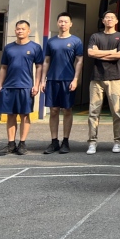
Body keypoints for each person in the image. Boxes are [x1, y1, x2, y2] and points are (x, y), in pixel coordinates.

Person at [0, 20, 44, 156]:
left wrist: (36, 85)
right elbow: (3, 67)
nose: (20, 31)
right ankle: (11, 144)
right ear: (15, 31)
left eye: (23, 29)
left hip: (26, 87)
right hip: (9, 86)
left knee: (25, 115)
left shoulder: (35, 47)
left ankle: (22, 143)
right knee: (10, 115)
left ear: (29, 31)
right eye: (18, 29)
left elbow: (39, 66)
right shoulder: (8, 48)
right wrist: (0, 85)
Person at [40, 13, 83, 155]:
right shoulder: (51, 42)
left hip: (68, 79)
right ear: (57, 23)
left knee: (67, 110)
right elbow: (46, 61)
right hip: (52, 80)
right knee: (53, 110)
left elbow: (79, 61)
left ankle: (65, 141)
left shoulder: (76, 41)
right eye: (60, 21)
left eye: (65, 21)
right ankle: (54, 141)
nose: (63, 24)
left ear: (71, 24)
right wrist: (43, 80)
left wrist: (75, 79)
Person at [86, 11, 120, 154]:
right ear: (103, 21)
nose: (109, 20)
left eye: (112, 18)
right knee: (93, 112)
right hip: (96, 78)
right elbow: (91, 53)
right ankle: (92, 142)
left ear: (116, 21)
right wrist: (111, 52)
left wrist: (100, 53)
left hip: (115, 78)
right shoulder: (95, 36)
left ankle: (117, 141)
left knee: (117, 111)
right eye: (107, 18)